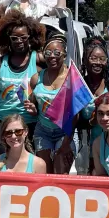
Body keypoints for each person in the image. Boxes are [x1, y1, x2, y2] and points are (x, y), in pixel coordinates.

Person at [0, 11, 43, 155]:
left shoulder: (39, 60)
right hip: (2, 123)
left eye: (23, 37)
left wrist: (37, 107)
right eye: (14, 38)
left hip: (29, 123)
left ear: (31, 38)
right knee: (2, 164)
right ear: (7, 39)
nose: (19, 41)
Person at [25, 34, 74, 174]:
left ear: (64, 55)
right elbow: (34, 107)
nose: (52, 56)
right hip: (43, 130)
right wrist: (32, 109)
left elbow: (75, 114)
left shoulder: (72, 77)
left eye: (57, 53)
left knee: (61, 173)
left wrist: (66, 143)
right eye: (48, 53)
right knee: (44, 173)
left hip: (65, 131)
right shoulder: (36, 79)